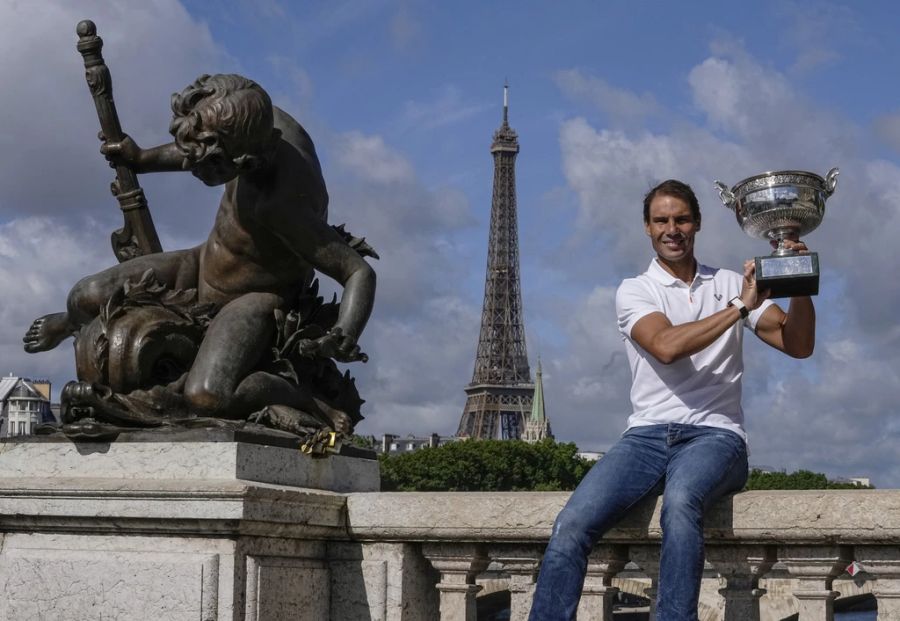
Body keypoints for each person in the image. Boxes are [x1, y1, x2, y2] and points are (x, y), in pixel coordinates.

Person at [529, 179, 815, 620]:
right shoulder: (636, 290)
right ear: (647, 228)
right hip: (644, 437)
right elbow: (665, 346)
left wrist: (801, 285)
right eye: (661, 220)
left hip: (716, 436)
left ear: (697, 223)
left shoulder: (728, 283)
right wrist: (739, 308)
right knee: (571, 524)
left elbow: (798, 344)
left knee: (681, 503)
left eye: (681, 219)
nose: (672, 229)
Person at [23, 74, 375, 431]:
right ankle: (69, 323)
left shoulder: (282, 206)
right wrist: (141, 158)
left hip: (253, 299)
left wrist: (346, 332)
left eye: (206, 169)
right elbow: (203, 146)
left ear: (247, 161)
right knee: (86, 295)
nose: (193, 170)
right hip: (201, 262)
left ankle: (304, 399)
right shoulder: (254, 118)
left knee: (208, 395)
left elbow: (358, 272)